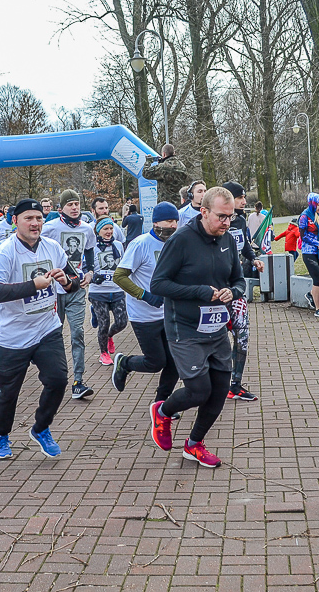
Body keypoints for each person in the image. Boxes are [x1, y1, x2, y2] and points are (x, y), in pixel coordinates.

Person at [148, 186, 246, 468]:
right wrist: (200, 292)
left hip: (216, 328)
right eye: (221, 216)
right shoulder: (181, 240)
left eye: (231, 216)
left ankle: (194, 445)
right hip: (185, 328)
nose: (227, 222)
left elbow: (239, 280)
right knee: (199, 390)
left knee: (220, 390)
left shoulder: (228, 240)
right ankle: (163, 411)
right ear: (203, 211)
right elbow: (158, 285)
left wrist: (233, 292)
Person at [0, 198, 81, 460]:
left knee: (58, 380)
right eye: (29, 218)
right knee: (9, 391)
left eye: (39, 218)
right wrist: (32, 286)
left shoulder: (52, 247)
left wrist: (67, 282)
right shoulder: (5, 251)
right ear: (15, 221)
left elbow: (74, 280)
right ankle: (0, 434)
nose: (35, 223)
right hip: (11, 335)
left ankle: (41, 428)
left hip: (46, 328)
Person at [111, 202, 180, 404]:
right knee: (156, 362)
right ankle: (125, 363)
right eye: (169, 221)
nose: (173, 225)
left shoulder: (175, 243)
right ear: (156, 222)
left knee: (175, 361)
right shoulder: (140, 244)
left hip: (168, 313)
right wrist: (145, 295)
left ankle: (161, 404)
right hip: (143, 315)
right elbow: (119, 276)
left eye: (175, 221)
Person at [41, 189, 98, 398]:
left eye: (77, 204)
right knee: (53, 335)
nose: (74, 208)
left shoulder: (87, 229)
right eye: (70, 204)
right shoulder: (50, 227)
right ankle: (52, 377)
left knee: (77, 334)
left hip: (76, 288)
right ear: (61, 208)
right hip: (53, 290)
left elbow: (90, 251)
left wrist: (90, 272)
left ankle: (78, 381)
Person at [221, 181, 265, 401]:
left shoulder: (240, 220)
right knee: (217, 340)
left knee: (242, 336)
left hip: (236, 289)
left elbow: (245, 244)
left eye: (244, 197)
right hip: (216, 291)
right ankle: (214, 383)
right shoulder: (215, 221)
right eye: (240, 197)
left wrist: (254, 259)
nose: (244, 201)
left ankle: (235, 384)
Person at [90, 217, 129, 365]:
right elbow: (85, 267)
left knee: (122, 322)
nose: (109, 231)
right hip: (98, 292)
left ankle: (109, 336)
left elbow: (124, 264)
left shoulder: (118, 245)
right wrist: (93, 277)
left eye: (111, 228)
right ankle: (104, 353)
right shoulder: (92, 247)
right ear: (98, 230)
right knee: (104, 323)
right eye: (105, 229)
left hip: (116, 290)